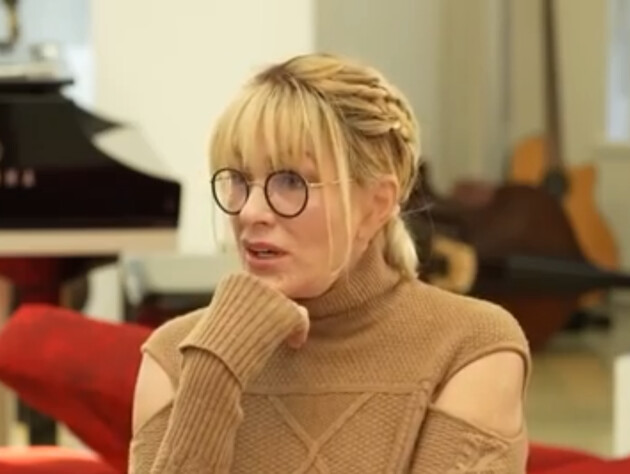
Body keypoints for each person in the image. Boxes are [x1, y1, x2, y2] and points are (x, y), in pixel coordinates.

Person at [128, 53, 531, 473]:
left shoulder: (470, 346)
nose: (249, 211)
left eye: (290, 181)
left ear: (377, 204)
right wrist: (215, 367)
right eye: (239, 180)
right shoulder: (175, 356)